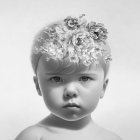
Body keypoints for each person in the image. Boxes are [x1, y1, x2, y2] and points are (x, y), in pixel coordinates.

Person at [15, 14, 122, 140]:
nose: (70, 91)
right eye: (56, 79)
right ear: (38, 85)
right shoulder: (33, 137)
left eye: (84, 78)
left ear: (103, 87)